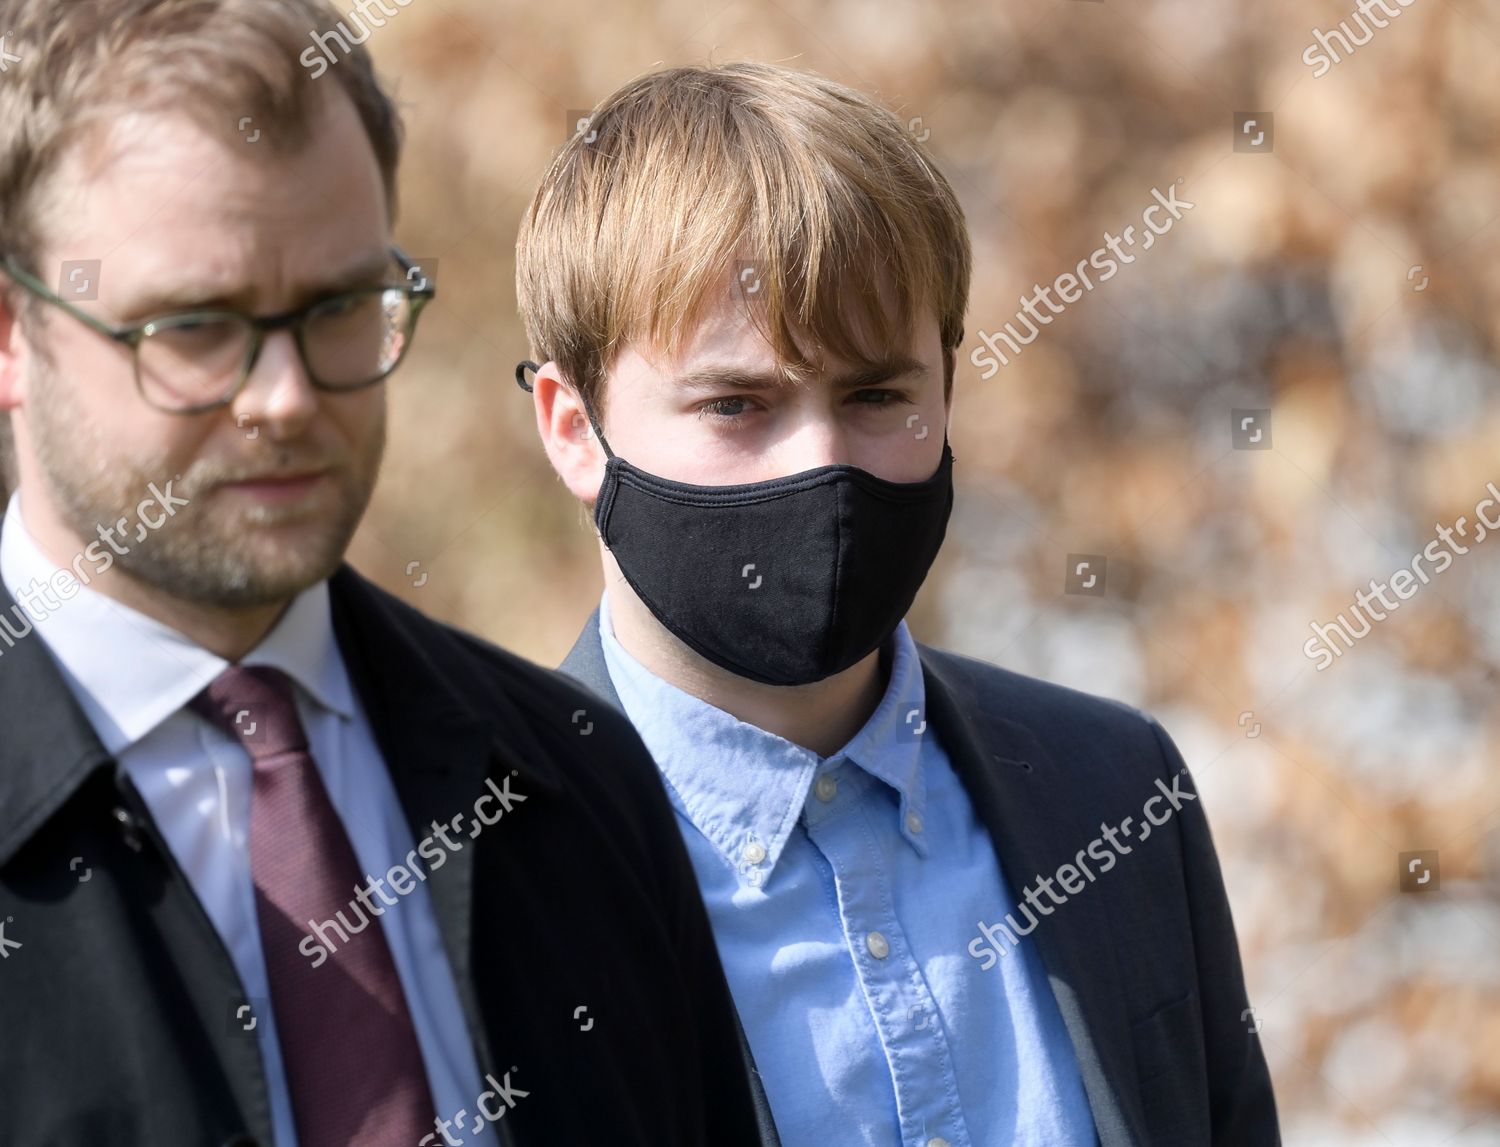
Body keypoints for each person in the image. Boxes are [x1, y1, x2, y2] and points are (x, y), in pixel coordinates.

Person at [0, 4, 760, 1145]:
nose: (287, 398)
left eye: (342, 308)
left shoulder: (583, 784)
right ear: (14, 333)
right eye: (197, 325)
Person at [517, 61, 1280, 1147]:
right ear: (572, 427)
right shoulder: (468, 888)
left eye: (877, 394)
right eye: (737, 402)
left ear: (948, 390)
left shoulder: (1117, 793)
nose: (824, 462)